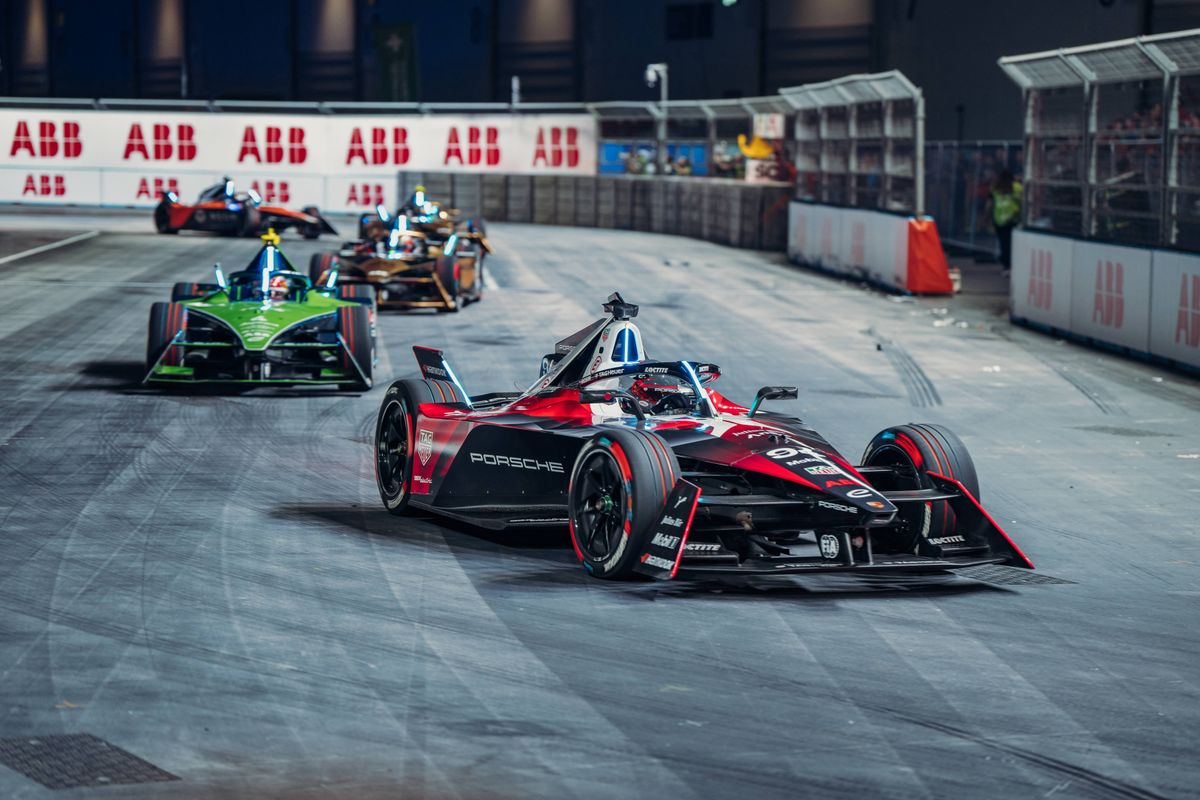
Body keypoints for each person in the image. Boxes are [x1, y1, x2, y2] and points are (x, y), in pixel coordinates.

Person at [989, 169, 1022, 273]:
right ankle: (1013, 265)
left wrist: (987, 218)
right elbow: (1023, 201)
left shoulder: (995, 188)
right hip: (1013, 218)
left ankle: (1006, 266)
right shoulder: (1017, 187)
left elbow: (990, 204)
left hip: (999, 219)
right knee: (1013, 244)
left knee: (1003, 243)